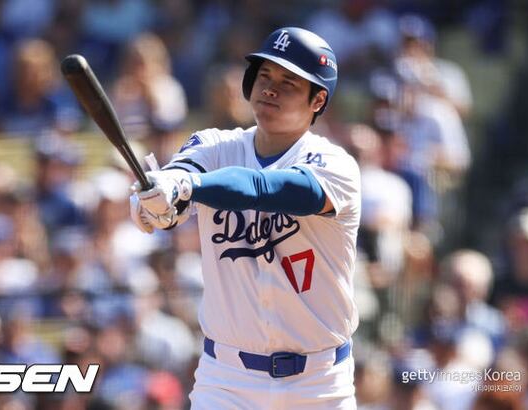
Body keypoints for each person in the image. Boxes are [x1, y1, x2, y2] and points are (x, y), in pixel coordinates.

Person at [129, 27, 361, 409]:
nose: (270, 89)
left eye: (288, 82)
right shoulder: (214, 145)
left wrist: (188, 186)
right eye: (264, 75)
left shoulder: (335, 164)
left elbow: (266, 187)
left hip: (319, 384)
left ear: (318, 99)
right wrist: (158, 199)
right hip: (225, 381)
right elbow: (174, 194)